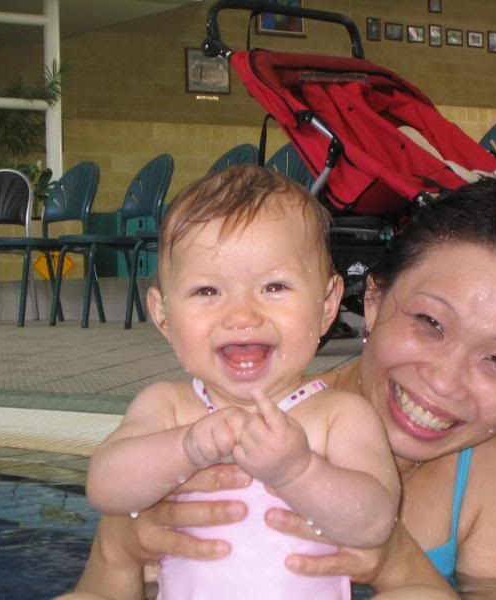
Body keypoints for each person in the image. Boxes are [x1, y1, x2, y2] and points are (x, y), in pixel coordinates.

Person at [65, 172, 496, 599]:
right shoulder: (180, 416)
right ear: (371, 301)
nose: (443, 380)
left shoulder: (483, 477)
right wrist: (120, 546)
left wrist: (396, 561)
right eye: (430, 322)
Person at [83, 165, 402, 600]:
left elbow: (375, 522)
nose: (241, 315)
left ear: (327, 305)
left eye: (274, 287)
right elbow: (105, 486)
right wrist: (185, 448)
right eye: (207, 291)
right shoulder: (167, 408)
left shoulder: (339, 415)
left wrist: (300, 471)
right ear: (163, 314)